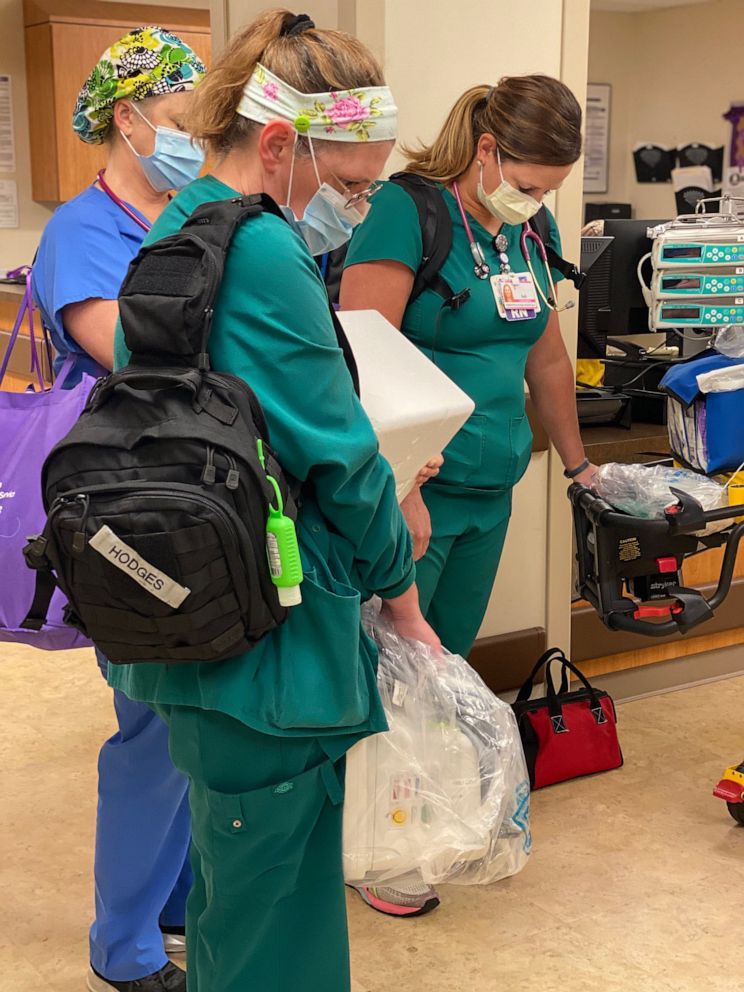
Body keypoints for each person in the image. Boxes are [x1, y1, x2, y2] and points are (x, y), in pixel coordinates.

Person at [106, 10, 439, 992]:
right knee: (276, 916)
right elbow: (339, 455)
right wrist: (403, 595)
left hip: (198, 618)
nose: (358, 204)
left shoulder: (176, 227)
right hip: (273, 650)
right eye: (348, 183)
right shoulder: (260, 251)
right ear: (282, 143)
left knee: (238, 891)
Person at [340, 75, 598, 917]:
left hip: (491, 490)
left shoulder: (531, 229)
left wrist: (577, 464)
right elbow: (359, 362)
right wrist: (399, 489)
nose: (536, 202)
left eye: (548, 191)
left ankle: (413, 819)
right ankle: (375, 848)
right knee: (387, 671)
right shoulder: (407, 214)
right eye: (527, 184)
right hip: (417, 496)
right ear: (487, 150)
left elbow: (546, 360)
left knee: (442, 666)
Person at [32, 27, 206, 992]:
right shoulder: (84, 231)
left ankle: (174, 902)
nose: (191, 141)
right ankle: (125, 948)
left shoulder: (190, 212)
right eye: (181, 124)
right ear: (130, 118)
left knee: (189, 715)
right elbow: (127, 354)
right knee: (150, 721)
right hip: (124, 510)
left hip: (197, 498)